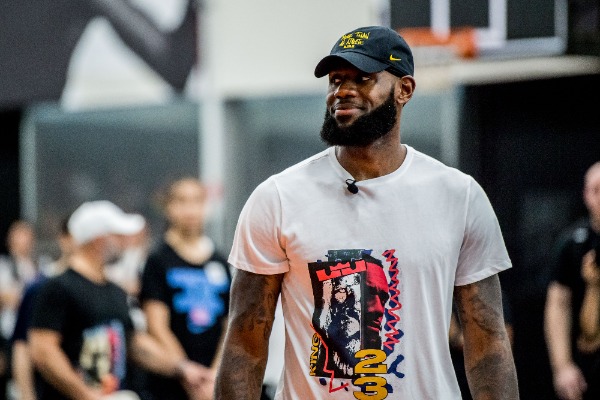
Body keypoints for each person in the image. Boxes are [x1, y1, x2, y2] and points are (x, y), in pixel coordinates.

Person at [215, 25, 518, 399]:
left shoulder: (459, 195)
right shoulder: (277, 197)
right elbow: (245, 341)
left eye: (363, 79)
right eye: (336, 79)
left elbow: (487, 338)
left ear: (404, 89)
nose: (343, 90)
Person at [28, 200, 208, 400]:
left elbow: (131, 342)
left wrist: (183, 369)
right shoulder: (59, 287)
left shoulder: (115, 291)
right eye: (119, 236)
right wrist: (87, 395)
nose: (125, 243)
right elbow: (43, 350)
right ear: (99, 239)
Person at [139, 178, 231, 400]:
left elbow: (230, 323)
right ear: (169, 207)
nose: (190, 209)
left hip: (212, 381)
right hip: (172, 382)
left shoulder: (219, 260)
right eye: (182, 201)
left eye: (197, 201)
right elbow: (156, 326)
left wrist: (215, 375)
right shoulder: (158, 260)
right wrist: (189, 374)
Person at [545, 161, 600, 400]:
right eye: (596, 190)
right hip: (587, 360)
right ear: (586, 195)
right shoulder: (572, 244)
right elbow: (558, 305)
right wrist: (562, 365)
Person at [11, 217, 75, 400]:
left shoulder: (103, 287)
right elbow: (22, 345)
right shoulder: (41, 286)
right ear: (64, 239)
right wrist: (26, 395)